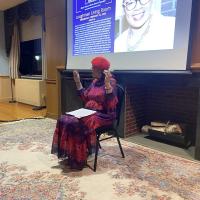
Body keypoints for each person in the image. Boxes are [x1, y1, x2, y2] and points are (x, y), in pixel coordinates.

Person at [51, 56, 118, 170]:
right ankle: (71, 153)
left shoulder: (111, 81)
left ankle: (83, 155)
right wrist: (77, 81)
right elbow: (85, 97)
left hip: (104, 116)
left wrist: (107, 85)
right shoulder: (95, 82)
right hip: (89, 112)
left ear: (101, 70)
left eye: (93, 68)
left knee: (80, 123)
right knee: (65, 118)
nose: (91, 69)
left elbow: (111, 105)